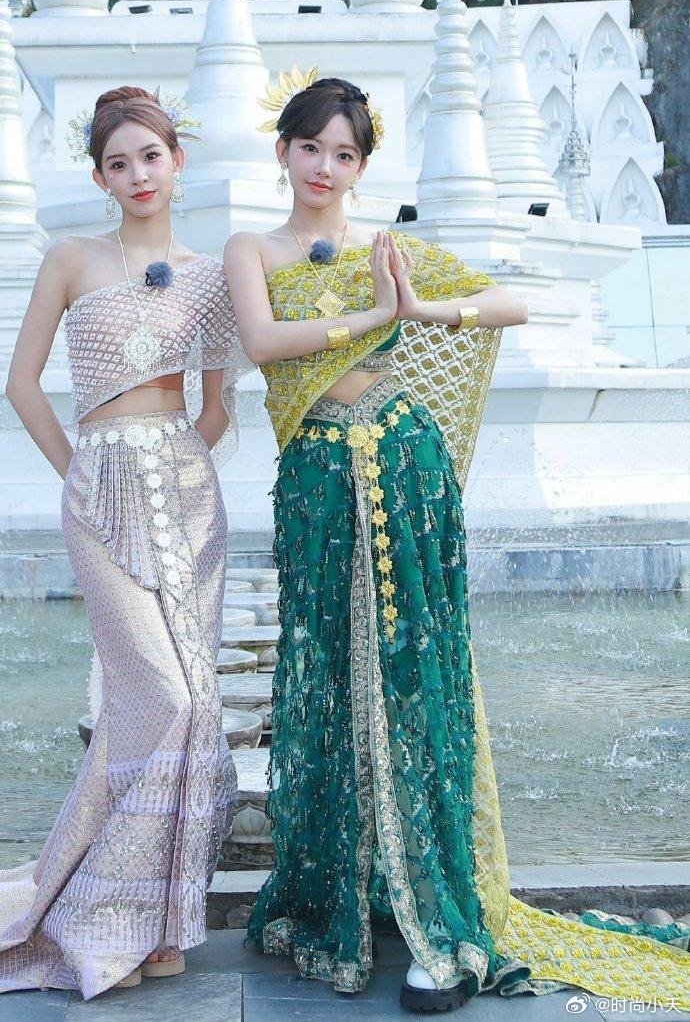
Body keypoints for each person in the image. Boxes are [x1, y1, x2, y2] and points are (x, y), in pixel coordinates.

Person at [225, 73, 690, 1013]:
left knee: (415, 672)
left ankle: (437, 908)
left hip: (406, 466)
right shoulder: (251, 249)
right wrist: (375, 316)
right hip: (317, 480)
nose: (324, 168)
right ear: (282, 151)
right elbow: (265, 343)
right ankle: (346, 891)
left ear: (363, 166)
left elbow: (509, 305)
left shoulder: (386, 249)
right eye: (310, 148)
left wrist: (423, 308)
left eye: (344, 154)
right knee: (327, 671)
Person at [0, 86, 253, 1000]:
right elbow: (22, 383)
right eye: (119, 162)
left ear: (177, 161)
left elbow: (217, 407)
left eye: (151, 155)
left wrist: (170, 460)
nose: (138, 174)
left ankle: (160, 920)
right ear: (101, 176)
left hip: (187, 501)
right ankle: (103, 911)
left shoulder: (211, 278)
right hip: (99, 494)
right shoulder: (70, 260)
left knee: (188, 704)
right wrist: (82, 470)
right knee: (161, 695)